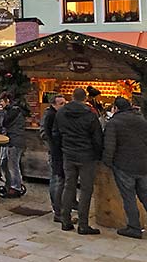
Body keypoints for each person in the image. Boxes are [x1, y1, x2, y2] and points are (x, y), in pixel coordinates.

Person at [52, 87, 103, 235]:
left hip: (68, 153)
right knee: (86, 189)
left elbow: (56, 133)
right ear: (85, 98)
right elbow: (97, 138)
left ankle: (66, 220)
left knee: (69, 186)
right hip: (86, 156)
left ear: (72, 97)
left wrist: (61, 148)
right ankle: (83, 224)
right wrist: (98, 154)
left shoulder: (61, 112)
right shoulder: (90, 114)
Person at [103, 96, 147, 239]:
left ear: (115, 108)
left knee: (129, 198)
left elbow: (110, 146)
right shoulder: (141, 120)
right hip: (143, 164)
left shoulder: (113, 123)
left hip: (124, 165)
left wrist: (107, 163)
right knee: (145, 196)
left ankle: (134, 227)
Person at [40, 93, 67, 222]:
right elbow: (45, 133)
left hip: (60, 152)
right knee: (57, 179)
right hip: (56, 152)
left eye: (65, 103)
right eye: (61, 103)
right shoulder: (50, 115)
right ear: (54, 104)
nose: (64, 106)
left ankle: (61, 207)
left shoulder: (58, 115)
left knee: (60, 179)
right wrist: (53, 147)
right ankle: (58, 210)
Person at [0, 93, 27, 199]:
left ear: (7, 101)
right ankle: (9, 184)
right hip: (9, 141)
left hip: (14, 141)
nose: (0, 103)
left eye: (2, 101)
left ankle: (16, 187)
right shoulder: (11, 110)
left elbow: (4, 123)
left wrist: (0, 112)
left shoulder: (14, 111)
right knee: (4, 162)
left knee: (13, 165)